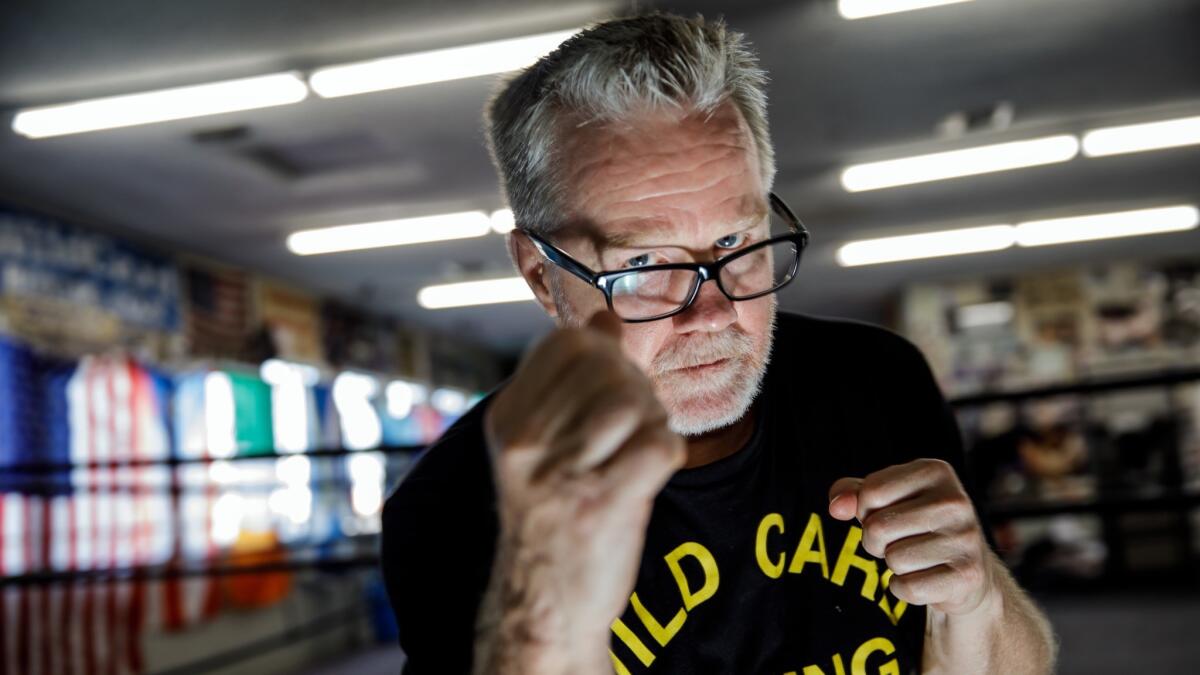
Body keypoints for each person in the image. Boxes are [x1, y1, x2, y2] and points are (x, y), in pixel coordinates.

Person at [381, 13, 1056, 675]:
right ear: (541, 274)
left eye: (734, 242)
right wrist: (539, 610)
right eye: (645, 264)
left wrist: (977, 602)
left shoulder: (877, 380)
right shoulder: (453, 507)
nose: (711, 311)